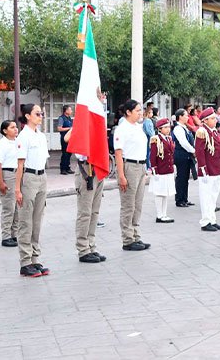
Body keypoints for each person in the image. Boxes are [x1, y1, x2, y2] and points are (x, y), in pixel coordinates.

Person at [15, 104, 51, 277]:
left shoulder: (41, 136)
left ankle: (35, 259)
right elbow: (20, 165)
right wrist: (17, 189)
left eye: (41, 113)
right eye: (37, 113)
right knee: (26, 222)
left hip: (41, 176)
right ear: (28, 116)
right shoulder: (23, 136)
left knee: (37, 220)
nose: (41, 116)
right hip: (28, 178)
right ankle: (25, 262)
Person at [64, 128, 108, 263]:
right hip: (86, 170)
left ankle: (91, 246)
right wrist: (78, 123)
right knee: (85, 213)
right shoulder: (81, 124)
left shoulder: (95, 122)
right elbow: (66, 139)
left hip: (97, 168)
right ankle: (83, 249)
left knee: (94, 212)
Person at [114, 99, 151, 250]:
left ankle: (136, 235)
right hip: (129, 166)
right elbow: (118, 153)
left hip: (141, 166)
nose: (140, 113)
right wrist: (121, 175)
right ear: (128, 112)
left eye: (141, 110)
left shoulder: (138, 127)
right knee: (128, 205)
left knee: (138, 205)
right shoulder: (122, 129)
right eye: (137, 110)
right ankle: (127, 239)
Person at [194, 107, 220, 232]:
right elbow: (200, 152)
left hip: (216, 169)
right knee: (206, 196)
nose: (215, 120)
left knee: (213, 196)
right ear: (205, 120)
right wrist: (203, 168)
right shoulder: (202, 132)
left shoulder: (214, 131)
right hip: (207, 169)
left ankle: (212, 219)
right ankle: (205, 221)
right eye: (212, 118)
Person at [0, 120, 19, 247]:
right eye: (12, 127)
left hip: (18, 174)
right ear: (5, 130)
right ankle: (6, 236)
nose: (16, 129)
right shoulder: (1, 144)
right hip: (7, 174)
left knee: (17, 207)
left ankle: (14, 234)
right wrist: (1, 182)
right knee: (8, 207)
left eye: (16, 127)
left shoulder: (18, 142)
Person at [149, 118, 176, 224]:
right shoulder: (156, 139)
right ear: (159, 129)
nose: (168, 129)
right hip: (160, 169)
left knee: (166, 193)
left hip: (168, 169)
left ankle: (164, 214)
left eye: (169, 127)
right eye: (165, 127)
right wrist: (154, 168)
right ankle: (159, 215)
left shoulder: (169, 138)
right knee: (159, 193)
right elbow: (153, 156)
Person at [172, 109, 195, 208]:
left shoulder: (184, 127)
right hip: (181, 154)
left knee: (185, 177)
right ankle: (179, 199)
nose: (187, 117)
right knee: (181, 177)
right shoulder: (178, 128)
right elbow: (183, 143)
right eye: (185, 115)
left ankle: (184, 198)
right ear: (180, 117)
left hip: (186, 154)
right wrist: (193, 151)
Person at [57, 105, 74, 175]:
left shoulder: (69, 118)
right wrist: (69, 128)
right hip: (64, 138)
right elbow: (59, 128)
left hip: (70, 138)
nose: (71, 111)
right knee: (65, 153)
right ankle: (63, 169)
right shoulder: (61, 118)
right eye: (70, 110)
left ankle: (68, 168)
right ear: (66, 111)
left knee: (69, 153)